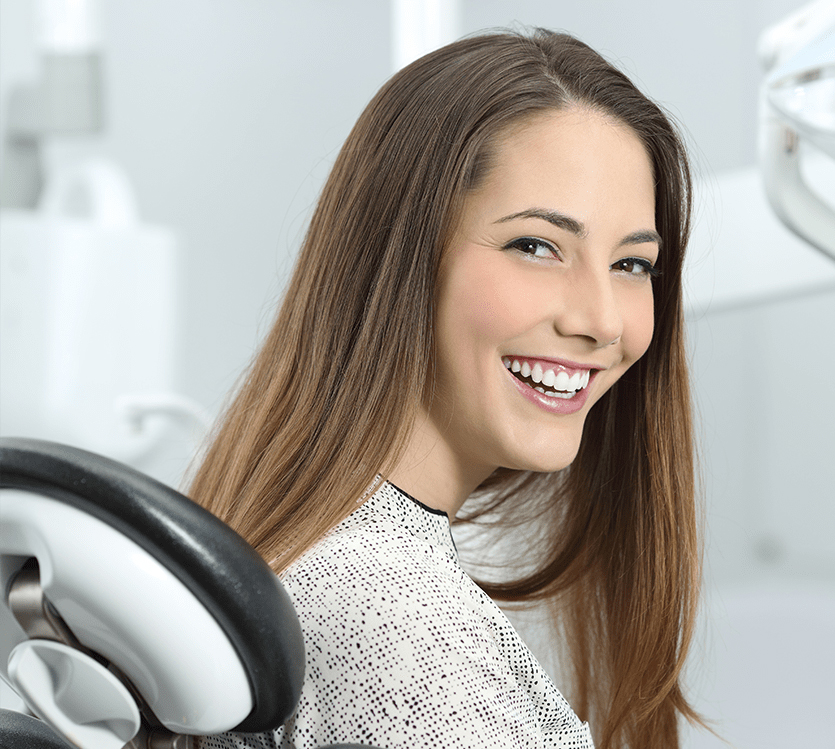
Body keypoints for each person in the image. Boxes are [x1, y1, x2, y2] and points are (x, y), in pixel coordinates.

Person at [193, 28, 702, 749]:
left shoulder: (328, 556)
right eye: (535, 246)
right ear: (399, 257)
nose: (600, 321)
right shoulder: (394, 613)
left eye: (630, 264)